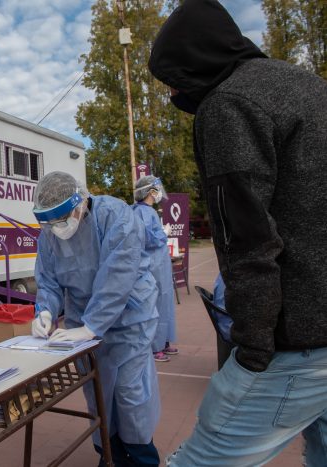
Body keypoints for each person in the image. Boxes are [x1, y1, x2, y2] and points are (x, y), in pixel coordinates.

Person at [148, 0, 327, 465]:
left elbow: (247, 239)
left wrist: (251, 348)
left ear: (193, 60)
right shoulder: (310, 88)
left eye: (173, 76)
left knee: (205, 456)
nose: (173, 90)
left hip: (297, 339)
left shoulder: (228, 104)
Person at [31, 171, 161, 466]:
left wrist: (92, 326)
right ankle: (109, 454)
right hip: (82, 326)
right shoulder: (49, 233)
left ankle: (141, 458)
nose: (58, 228)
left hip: (130, 319)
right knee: (98, 395)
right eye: (50, 222)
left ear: (81, 203)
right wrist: (46, 312)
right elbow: (49, 279)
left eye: (63, 219)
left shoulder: (115, 216)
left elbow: (117, 277)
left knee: (130, 394)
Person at [132, 175, 178, 363]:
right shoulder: (142, 212)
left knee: (164, 302)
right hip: (153, 266)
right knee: (155, 306)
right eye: (157, 189)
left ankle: (163, 341)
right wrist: (163, 233)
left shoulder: (149, 211)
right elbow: (148, 238)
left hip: (160, 266)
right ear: (151, 191)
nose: (160, 193)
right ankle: (154, 347)